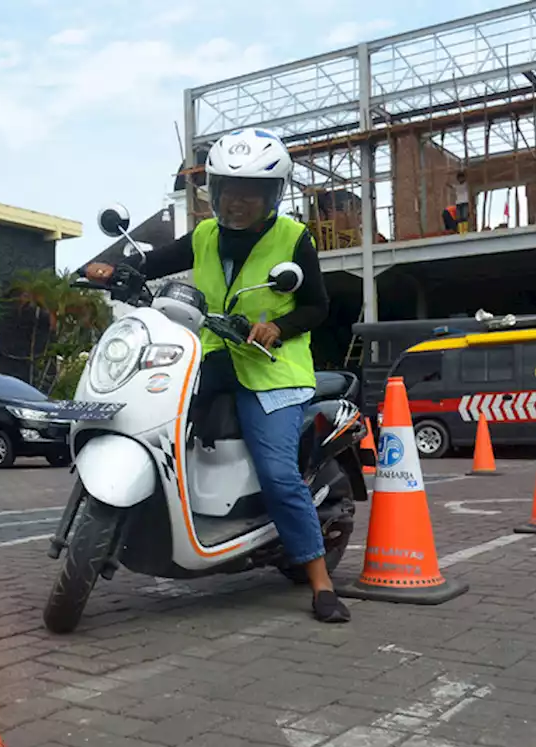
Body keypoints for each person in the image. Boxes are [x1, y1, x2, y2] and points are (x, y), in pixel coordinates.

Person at [83, 127, 347, 623]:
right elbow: (153, 262)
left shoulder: (293, 238)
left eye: (251, 192)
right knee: (154, 421)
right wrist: (110, 267)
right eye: (227, 189)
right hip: (210, 357)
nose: (237, 202)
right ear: (215, 191)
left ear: (272, 195)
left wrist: (278, 326)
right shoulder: (205, 235)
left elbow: (316, 306)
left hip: (273, 370)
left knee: (277, 473)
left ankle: (320, 582)